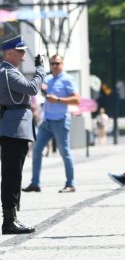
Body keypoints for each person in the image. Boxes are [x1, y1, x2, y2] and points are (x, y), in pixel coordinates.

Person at [0, 35, 45, 234]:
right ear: (10, 53)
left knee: (13, 174)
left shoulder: (10, 71)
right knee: (12, 175)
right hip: (13, 129)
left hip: (15, 127)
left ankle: (11, 218)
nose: (24, 54)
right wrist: (41, 70)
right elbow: (32, 88)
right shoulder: (8, 72)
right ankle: (9, 221)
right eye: (20, 51)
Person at [23, 54, 80, 193]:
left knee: (64, 152)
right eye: (52, 63)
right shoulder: (48, 78)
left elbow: (77, 100)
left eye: (57, 63)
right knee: (36, 151)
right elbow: (39, 88)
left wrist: (59, 100)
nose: (54, 66)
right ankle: (35, 183)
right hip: (47, 122)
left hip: (61, 121)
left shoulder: (68, 79)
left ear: (62, 64)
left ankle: (70, 184)